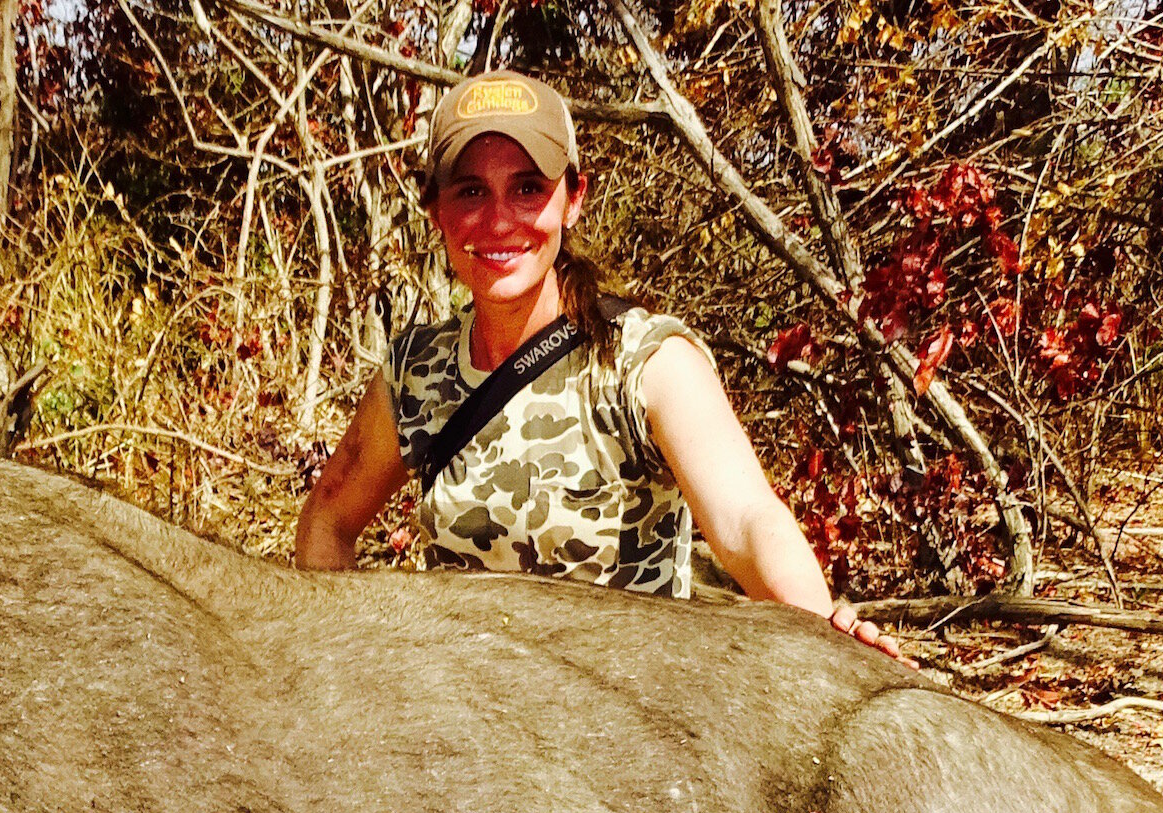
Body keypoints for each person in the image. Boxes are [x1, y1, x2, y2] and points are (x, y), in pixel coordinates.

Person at [294, 69, 903, 657]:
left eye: (528, 187)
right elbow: (328, 517)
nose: (500, 220)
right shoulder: (414, 372)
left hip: (626, 732)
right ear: (436, 211)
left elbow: (746, 522)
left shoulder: (647, 361)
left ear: (573, 199)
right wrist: (346, 671)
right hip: (464, 731)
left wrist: (825, 638)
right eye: (471, 191)